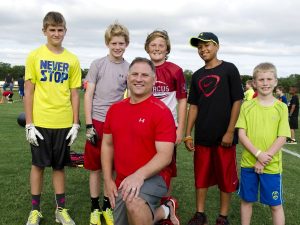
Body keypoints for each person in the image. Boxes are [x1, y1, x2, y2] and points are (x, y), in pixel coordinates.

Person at [101, 57, 179, 225]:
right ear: (127, 77)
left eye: (144, 75)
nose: (138, 79)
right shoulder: (115, 109)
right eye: (134, 74)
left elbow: (165, 156)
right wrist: (108, 180)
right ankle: (166, 210)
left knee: (133, 202)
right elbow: (107, 145)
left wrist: (139, 176)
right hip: (123, 179)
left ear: (154, 80)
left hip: (155, 176)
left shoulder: (161, 112)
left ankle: (161, 208)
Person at [24, 11, 81, 225]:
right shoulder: (34, 56)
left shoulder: (72, 59)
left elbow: (75, 93)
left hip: (63, 122)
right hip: (40, 121)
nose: (56, 34)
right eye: (52, 30)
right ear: (44, 31)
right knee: (38, 165)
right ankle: (35, 211)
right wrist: (29, 124)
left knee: (59, 167)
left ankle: (61, 210)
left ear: (65, 31)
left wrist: (76, 122)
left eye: (60, 30)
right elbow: (29, 92)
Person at [184, 32, 244, 225]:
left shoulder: (229, 69)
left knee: (225, 178)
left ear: (217, 46)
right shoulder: (197, 75)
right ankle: (200, 213)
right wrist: (187, 133)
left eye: (207, 45)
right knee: (201, 177)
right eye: (199, 47)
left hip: (224, 138)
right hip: (202, 136)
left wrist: (229, 131)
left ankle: (223, 216)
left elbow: (237, 100)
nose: (203, 50)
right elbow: (193, 106)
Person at [84, 22, 130, 225]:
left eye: (121, 43)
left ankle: (108, 207)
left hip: (117, 124)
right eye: (114, 43)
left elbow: (131, 98)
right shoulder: (97, 64)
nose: (118, 47)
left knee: (111, 169)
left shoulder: (129, 68)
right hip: (97, 121)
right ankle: (95, 208)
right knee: (95, 168)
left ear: (126, 44)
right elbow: (89, 95)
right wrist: (88, 125)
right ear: (107, 43)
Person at [236, 62, 290, 225]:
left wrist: (264, 158)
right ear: (254, 82)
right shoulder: (246, 106)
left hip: (271, 165)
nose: (265, 83)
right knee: (246, 201)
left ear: (275, 82)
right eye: (261, 79)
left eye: (268, 79)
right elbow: (241, 134)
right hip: (249, 164)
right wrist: (258, 155)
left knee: (275, 205)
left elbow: (282, 136)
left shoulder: (281, 108)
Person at [144, 30, 187, 200]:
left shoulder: (175, 70)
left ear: (167, 49)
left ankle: (166, 205)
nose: (157, 48)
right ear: (147, 48)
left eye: (161, 45)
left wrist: (180, 129)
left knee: (166, 166)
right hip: (145, 125)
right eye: (153, 45)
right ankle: (147, 200)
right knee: (144, 163)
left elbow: (182, 100)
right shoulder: (142, 68)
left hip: (168, 128)